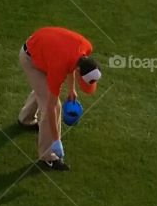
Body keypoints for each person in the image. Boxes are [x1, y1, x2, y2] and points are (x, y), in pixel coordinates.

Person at [18, 26, 101, 171]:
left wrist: (71, 89)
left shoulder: (85, 47)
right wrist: (56, 140)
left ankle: (26, 119)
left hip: (43, 48)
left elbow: (72, 62)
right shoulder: (59, 67)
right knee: (55, 106)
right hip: (31, 59)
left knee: (43, 90)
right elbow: (50, 108)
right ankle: (48, 155)